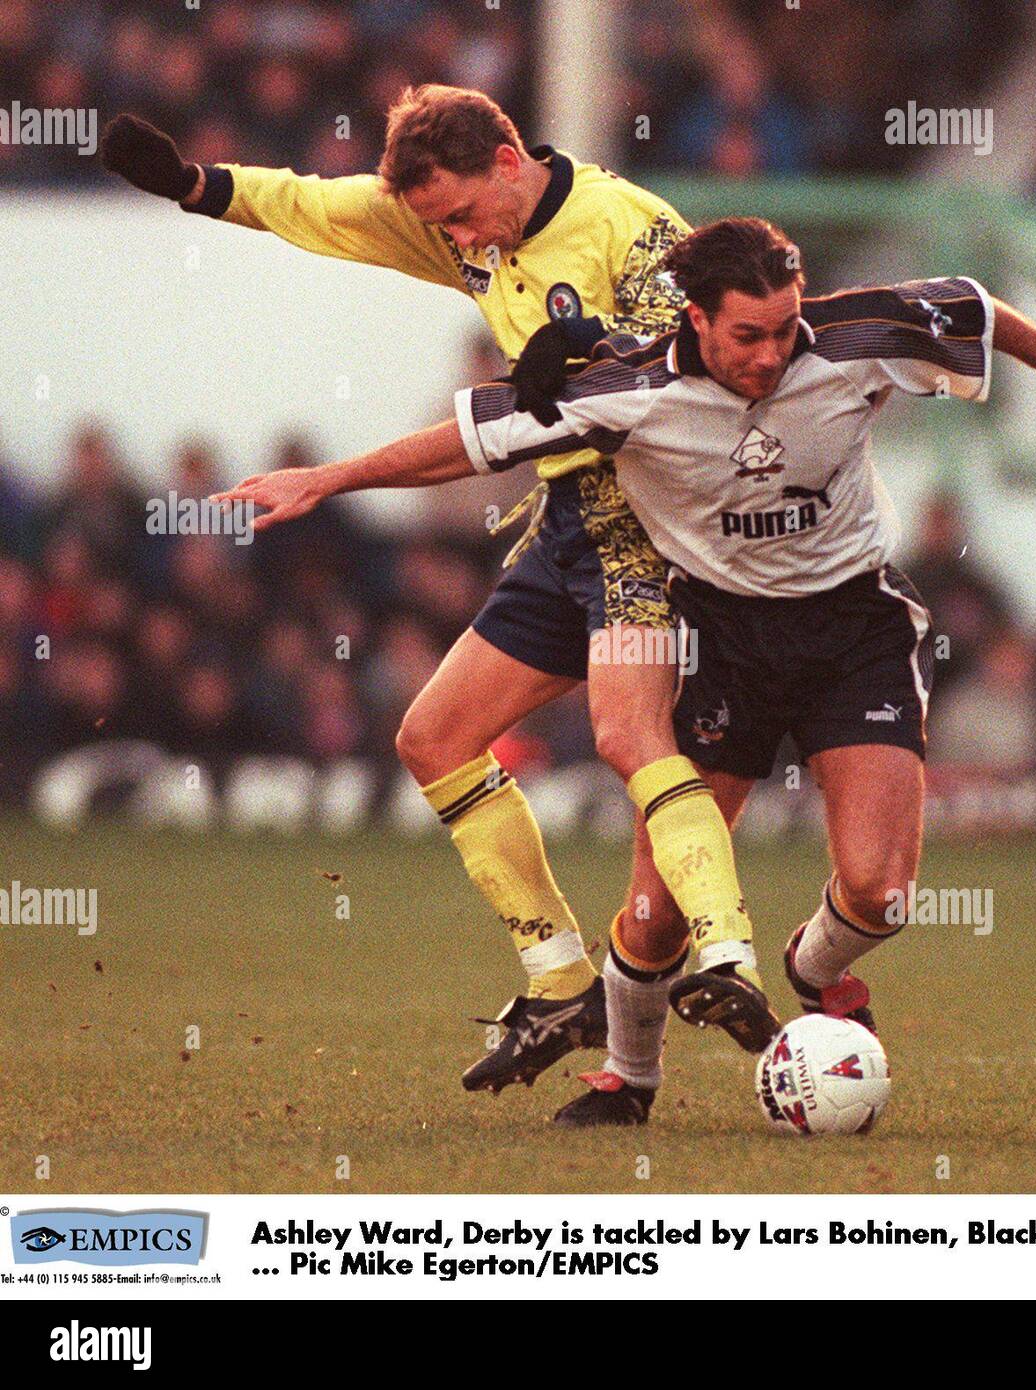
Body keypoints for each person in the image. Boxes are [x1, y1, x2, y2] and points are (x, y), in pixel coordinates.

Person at [214, 216, 1036, 1124]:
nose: (771, 353)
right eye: (748, 335)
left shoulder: (858, 334)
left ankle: (815, 969)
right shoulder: (626, 390)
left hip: (851, 628)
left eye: (785, 329)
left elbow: (970, 305)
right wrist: (327, 479)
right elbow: (465, 440)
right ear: (694, 319)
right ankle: (628, 1077)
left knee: (880, 892)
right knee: (656, 918)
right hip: (715, 637)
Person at [103, 84, 771, 1092]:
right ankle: (556, 980)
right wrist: (198, 186)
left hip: (654, 528)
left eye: (461, 213)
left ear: (509, 159)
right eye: (440, 227)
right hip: (564, 522)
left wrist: (601, 350)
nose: (459, 239)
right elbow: (315, 206)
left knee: (630, 739)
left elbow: (718, 363)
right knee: (432, 736)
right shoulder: (460, 228)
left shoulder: (629, 230)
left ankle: (728, 956)